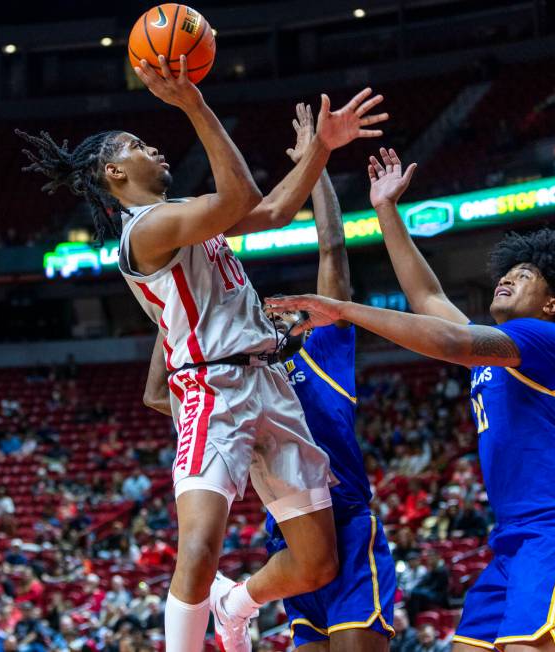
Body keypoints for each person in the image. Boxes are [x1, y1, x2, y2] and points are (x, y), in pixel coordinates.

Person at [18, 53, 388, 652]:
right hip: (210, 388)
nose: (156, 150)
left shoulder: (183, 218)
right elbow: (241, 194)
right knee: (198, 547)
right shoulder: (144, 230)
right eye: (139, 144)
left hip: (271, 383)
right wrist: (192, 102)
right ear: (114, 171)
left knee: (318, 564)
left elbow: (270, 212)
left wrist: (322, 148)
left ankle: (234, 602)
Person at [266, 147, 555, 652]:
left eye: (526, 275)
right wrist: (387, 210)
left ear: (552, 304)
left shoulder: (545, 339)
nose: (509, 276)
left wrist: (343, 308)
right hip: (513, 537)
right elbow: (428, 299)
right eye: (508, 269)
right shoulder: (499, 355)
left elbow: (448, 341)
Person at [146, 102, 396, 651]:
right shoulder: (244, 372)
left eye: (284, 312)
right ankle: (237, 603)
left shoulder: (322, 351)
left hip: (348, 522)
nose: (273, 313)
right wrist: (178, 317)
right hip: (285, 534)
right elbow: (156, 393)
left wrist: (318, 167)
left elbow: (332, 251)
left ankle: (234, 603)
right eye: (267, 310)